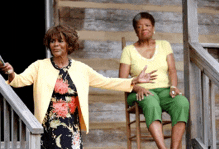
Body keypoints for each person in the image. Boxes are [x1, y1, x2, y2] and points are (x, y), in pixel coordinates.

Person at [0, 25, 157, 149]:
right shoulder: (40, 66)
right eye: (52, 41)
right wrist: (12, 73)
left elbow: (106, 81)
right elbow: (20, 80)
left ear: (69, 44)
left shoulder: (81, 68)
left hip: (72, 126)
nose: (55, 45)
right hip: (49, 126)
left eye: (60, 41)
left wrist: (133, 80)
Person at [119, 12, 189, 149]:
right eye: (139, 27)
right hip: (139, 92)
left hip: (164, 91)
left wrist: (173, 86)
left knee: (182, 102)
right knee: (151, 101)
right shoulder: (128, 50)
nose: (143, 28)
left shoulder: (164, 45)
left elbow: (172, 70)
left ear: (153, 27)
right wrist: (138, 87)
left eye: (147, 25)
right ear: (135, 31)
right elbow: (121, 79)